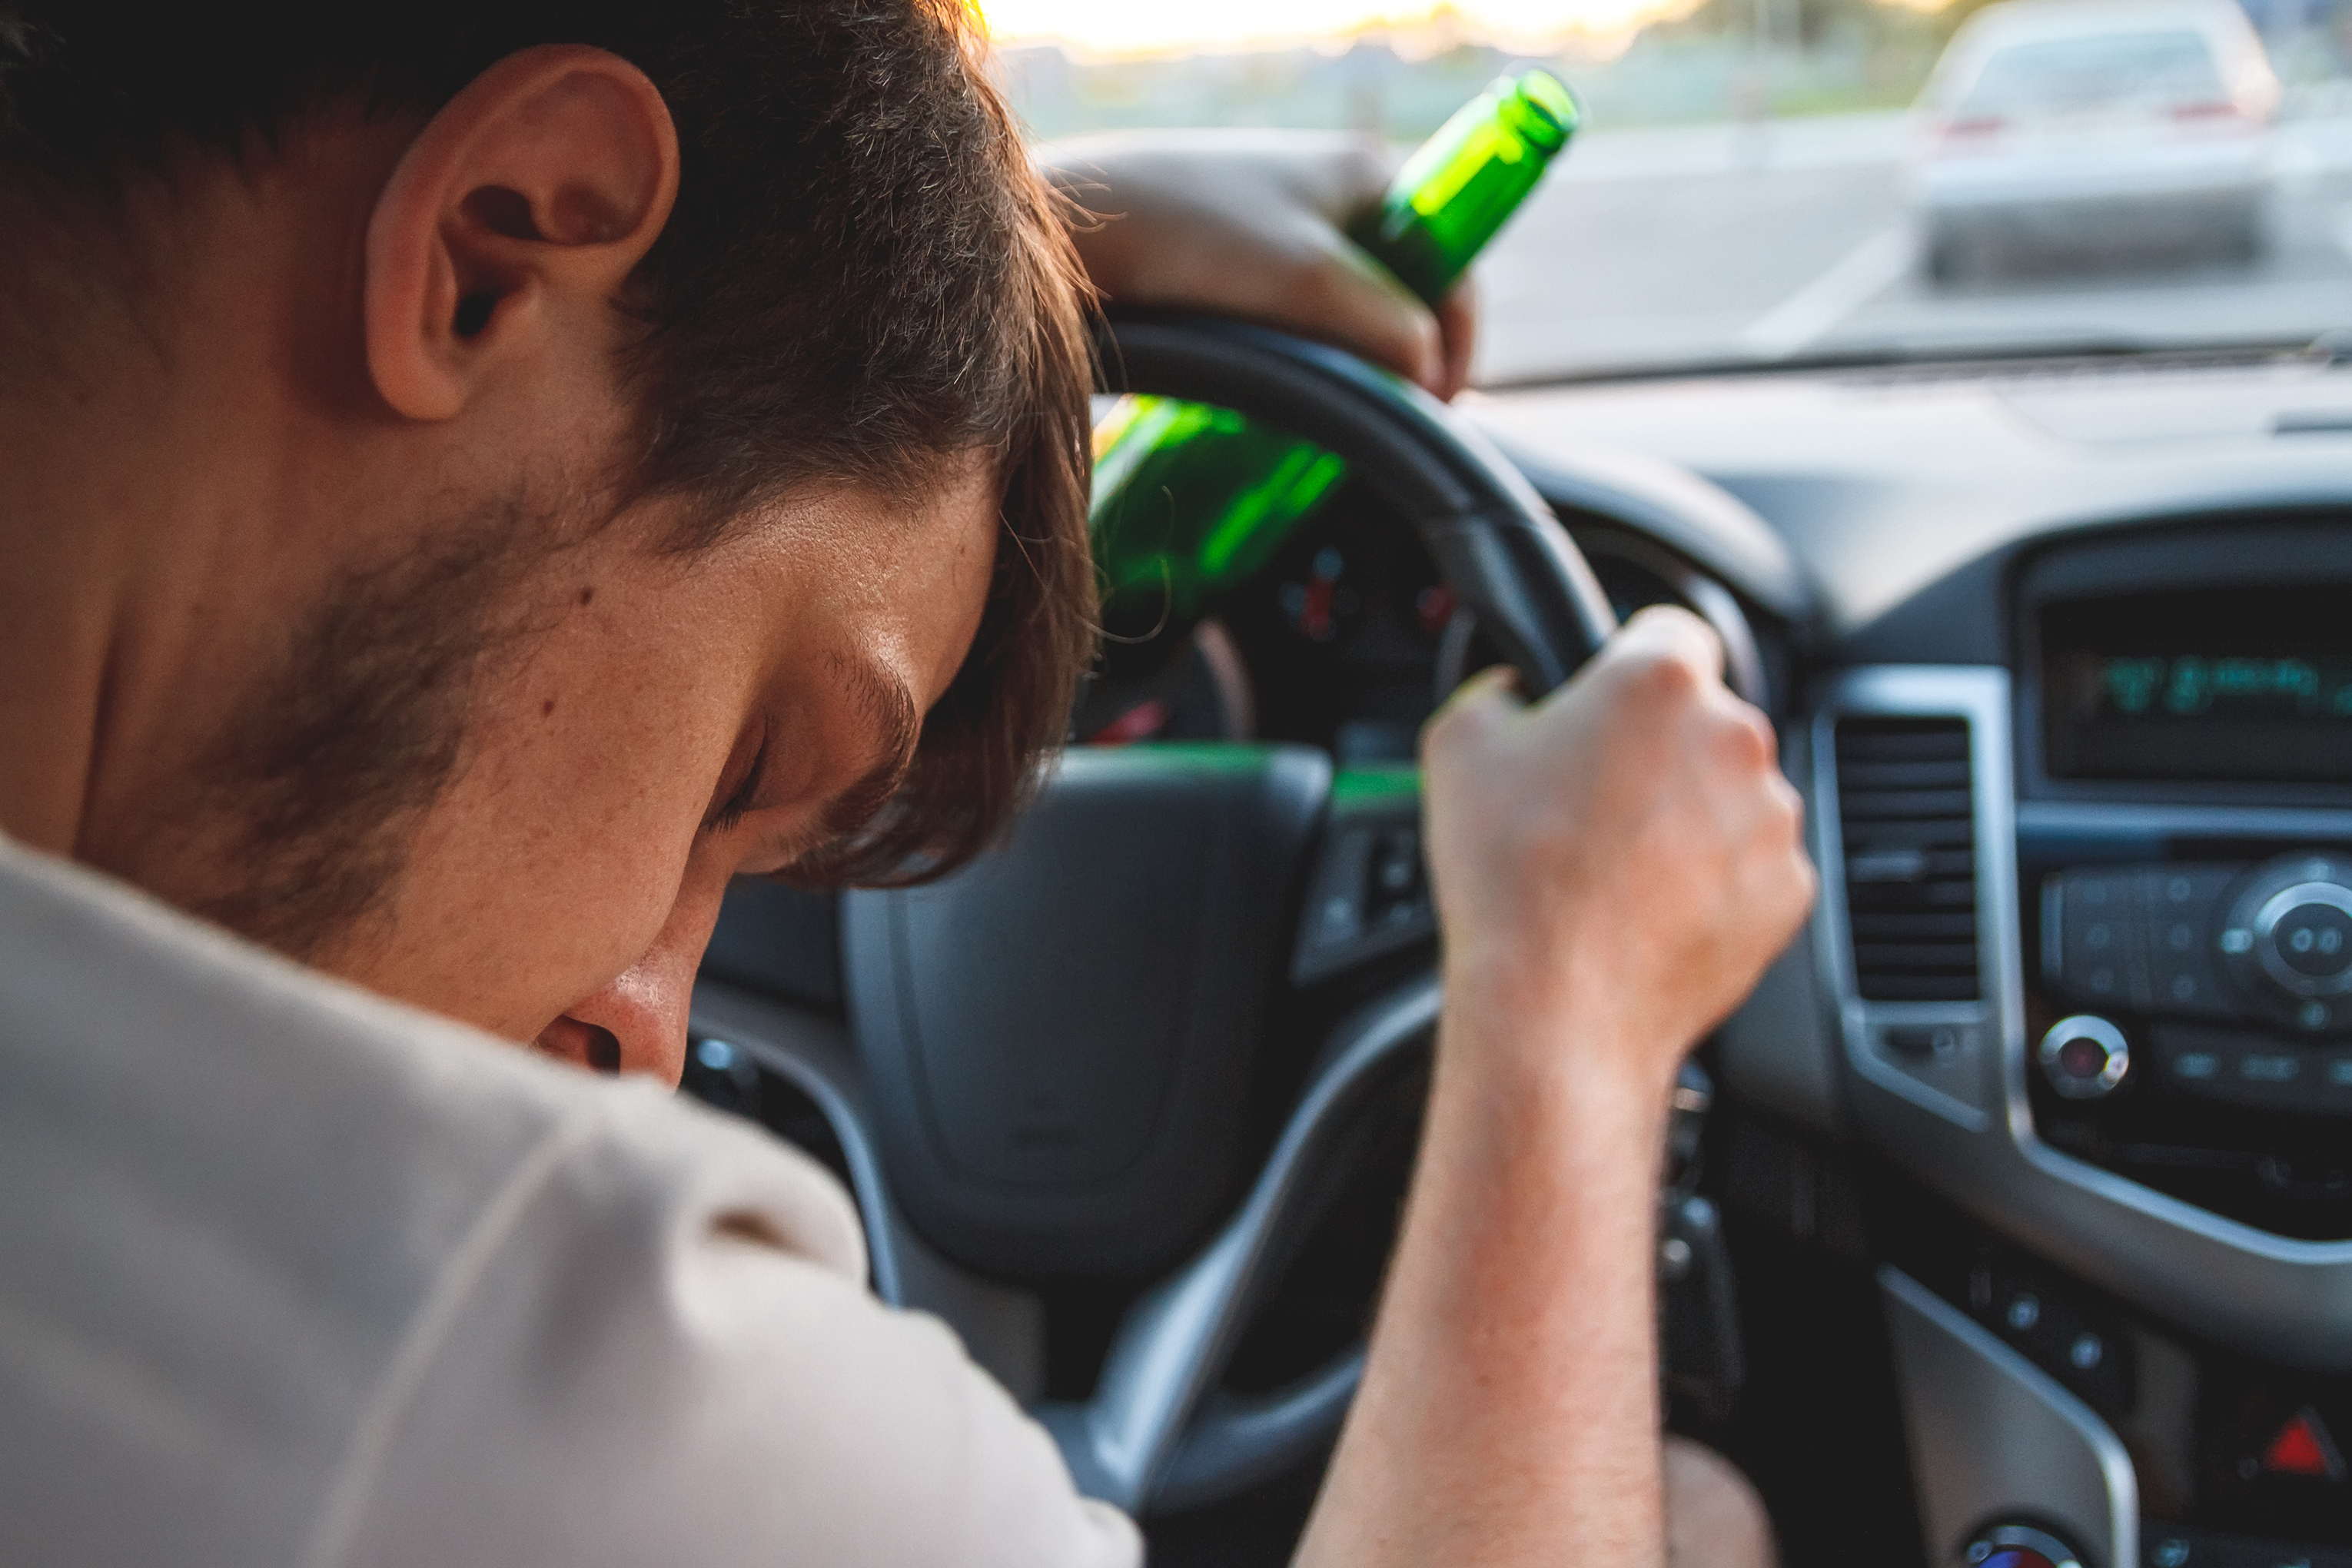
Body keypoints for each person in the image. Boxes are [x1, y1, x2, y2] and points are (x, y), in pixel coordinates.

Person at [0, 4, 1814, 1565]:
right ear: (492, 242)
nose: (646, 1033)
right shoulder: (489, 1329)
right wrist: (1571, 1006)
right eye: (755, 763)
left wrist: (991, 252)